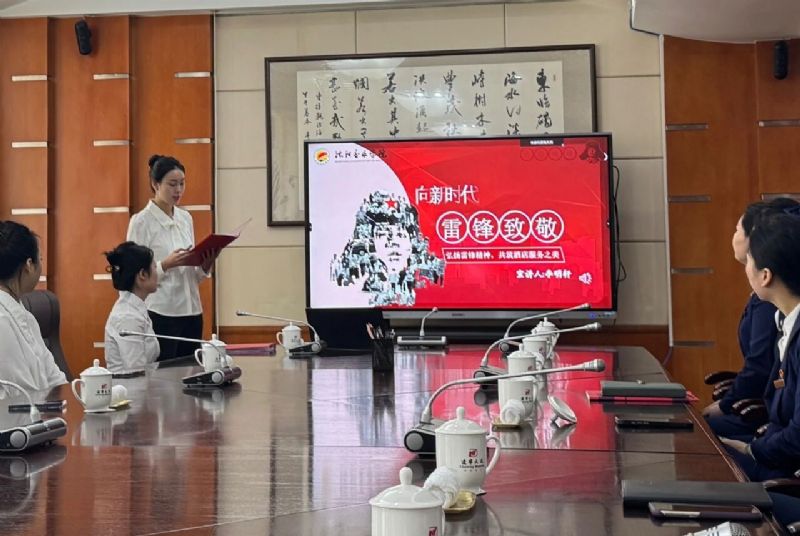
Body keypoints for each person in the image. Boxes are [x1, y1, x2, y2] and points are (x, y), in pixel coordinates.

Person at [703, 198, 799, 438]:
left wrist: (752, 450)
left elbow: (760, 366)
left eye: (738, 229)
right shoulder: (781, 314)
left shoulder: (775, 306)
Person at [720, 209, 800, 480]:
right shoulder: (786, 321)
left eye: (750, 260)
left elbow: (797, 437)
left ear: (765, 275)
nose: (746, 268)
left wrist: (752, 450)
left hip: (783, 476)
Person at [127, 155, 218, 360]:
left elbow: (193, 275)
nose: (178, 190)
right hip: (161, 311)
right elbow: (133, 274)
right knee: (164, 374)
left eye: (182, 184)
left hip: (192, 310)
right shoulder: (141, 222)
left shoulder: (185, 218)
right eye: (172, 184)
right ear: (155, 184)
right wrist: (165, 265)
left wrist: (206, 264)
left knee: (191, 371)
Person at [330, 190, 445, 306]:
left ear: (411, 243)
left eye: (400, 235)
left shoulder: (426, 282)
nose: (393, 243)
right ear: (371, 242)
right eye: (383, 235)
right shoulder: (358, 291)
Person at [0, 220, 67, 392]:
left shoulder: (26, 317)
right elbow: (20, 394)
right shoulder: (2, 321)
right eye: (41, 259)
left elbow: (56, 380)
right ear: (29, 265)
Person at [103, 241, 160, 374]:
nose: (157, 273)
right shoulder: (127, 317)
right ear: (142, 275)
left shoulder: (134, 308)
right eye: (155, 267)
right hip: (130, 386)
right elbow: (136, 373)